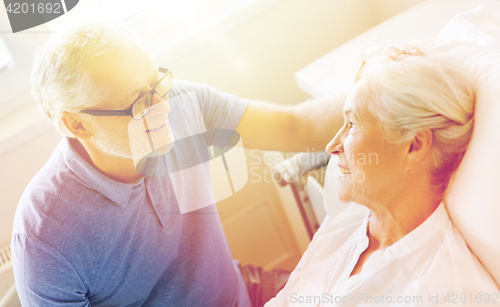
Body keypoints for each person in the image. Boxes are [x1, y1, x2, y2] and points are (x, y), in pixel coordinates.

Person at [11, 22, 344, 306]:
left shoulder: (184, 103)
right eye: (137, 103)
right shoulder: (44, 238)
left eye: (157, 83)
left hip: (240, 290)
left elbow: (294, 127)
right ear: (78, 125)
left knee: (353, 291)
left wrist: (378, 92)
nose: (164, 107)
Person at [265, 46, 500, 307]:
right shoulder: (349, 218)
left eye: (352, 124)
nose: (332, 145)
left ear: (414, 145)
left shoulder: (449, 293)